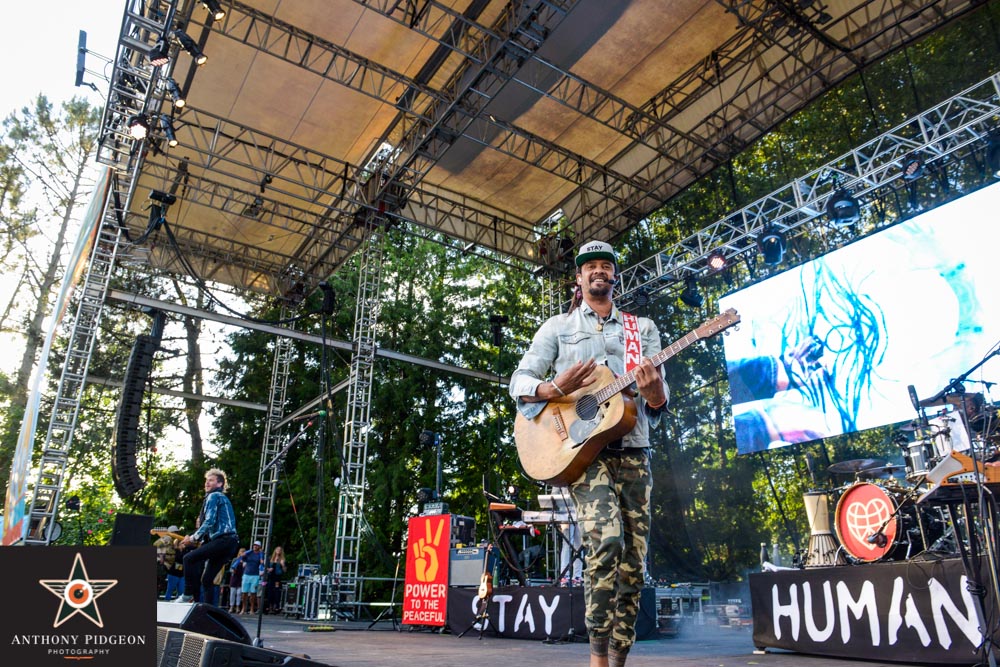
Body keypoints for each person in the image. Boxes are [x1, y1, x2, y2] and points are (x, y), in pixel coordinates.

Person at [510, 240, 669, 667]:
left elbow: (658, 397)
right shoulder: (557, 327)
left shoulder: (642, 329)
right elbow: (519, 380)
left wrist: (655, 393)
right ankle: (597, 655)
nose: (598, 270)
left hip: (634, 449)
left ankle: (618, 657)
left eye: (605, 265)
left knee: (634, 562)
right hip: (583, 453)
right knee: (607, 541)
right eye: (589, 266)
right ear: (578, 279)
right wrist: (551, 388)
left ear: (615, 276)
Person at [177, 468, 240, 604]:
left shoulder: (214, 496)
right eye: (206, 480)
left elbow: (209, 521)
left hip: (223, 540)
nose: (207, 483)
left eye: (211, 480)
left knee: (188, 559)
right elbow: (211, 526)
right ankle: (208, 610)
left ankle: (187, 594)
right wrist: (197, 537)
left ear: (220, 484)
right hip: (230, 543)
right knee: (207, 580)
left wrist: (193, 538)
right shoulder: (222, 498)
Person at [239, 540, 264, 614]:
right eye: (254, 545)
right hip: (246, 574)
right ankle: (243, 608)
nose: (255, 546)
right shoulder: (249, 552)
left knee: (253, 593)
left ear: (259, 547)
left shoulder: (260, 554)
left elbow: (262, 562)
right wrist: (243, 556)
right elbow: (243, 559)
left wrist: (262, 560)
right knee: (244, 593)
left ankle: (251, 609)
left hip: (255, 575)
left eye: (256, 545)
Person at [264, 545, 287, 613]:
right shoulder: (270, 558)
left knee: (276, 591)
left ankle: (276, 606)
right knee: (269, 591)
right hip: (270, 576)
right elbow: (265, 567)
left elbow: (285, 570)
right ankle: (268, 606)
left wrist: (283, 565)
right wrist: (269, 569)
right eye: (277, 549)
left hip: (277, 577)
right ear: (275, 550)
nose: (278, 551)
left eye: (280, 550)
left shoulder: (282, 559)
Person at [228, 548, 246, 613]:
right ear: (239, 552)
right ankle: (231, 606)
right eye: (241, 551)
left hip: (241, 578)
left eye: (244, 552)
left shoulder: (245, 560)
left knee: (239, 593)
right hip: (234, 577)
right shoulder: (235, 559)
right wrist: (232, 570)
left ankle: (238, 606)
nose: (242, 553)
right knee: (232, 593)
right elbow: (230, 569)